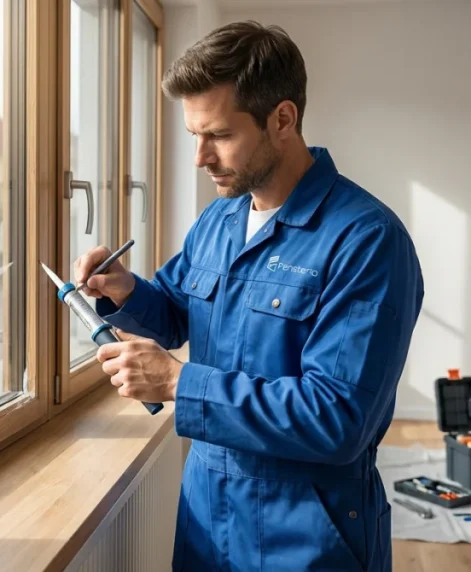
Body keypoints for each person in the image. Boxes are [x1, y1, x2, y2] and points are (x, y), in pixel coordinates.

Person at [75, 21, 424, 571]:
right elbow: (173, 312)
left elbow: (337, 420)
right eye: (194, 135)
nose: (200, 157)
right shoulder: (220, 219)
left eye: (218, 135)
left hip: (309, 537)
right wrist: (124, 291)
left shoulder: (366, 241)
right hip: (206, 522)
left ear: (282, 119)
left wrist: (177, 381)